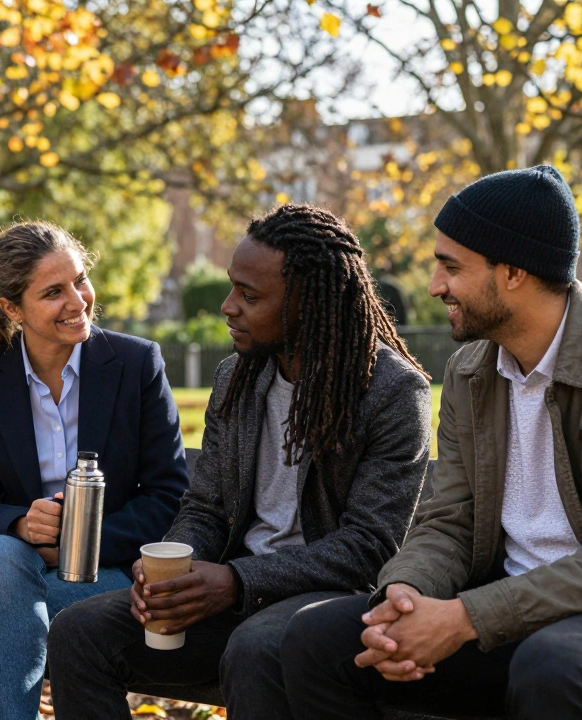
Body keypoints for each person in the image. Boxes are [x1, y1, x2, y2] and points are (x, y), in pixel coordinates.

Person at [279, 165, 582, 720]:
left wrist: (463, 619)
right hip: (501, 603)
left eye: (451, 267)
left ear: (512, 273)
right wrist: (403, 596)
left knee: (556, 670)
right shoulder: (470, 371)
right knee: (318, 640)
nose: (435, 286)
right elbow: (449, 519)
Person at [47, 204, 433, 719]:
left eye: (250, 296)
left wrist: (236, 582)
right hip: (231, 597)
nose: (229, 307)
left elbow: (368, 547)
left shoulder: (391, 390)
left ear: (310, 305)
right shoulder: (238, 377)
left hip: (329, 604)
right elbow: (205, 505)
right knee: (80, 631)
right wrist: (171, 573)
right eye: (233, 288)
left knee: (255, 652)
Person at [0, 221, 189, 719]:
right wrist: (19, 524)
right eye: (54, 292)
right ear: (12, 308)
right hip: (11, 566)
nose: (78, 301)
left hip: (108, 574)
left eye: (79, 280)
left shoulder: (136, 362)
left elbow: (170, 497)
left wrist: (80, 541)